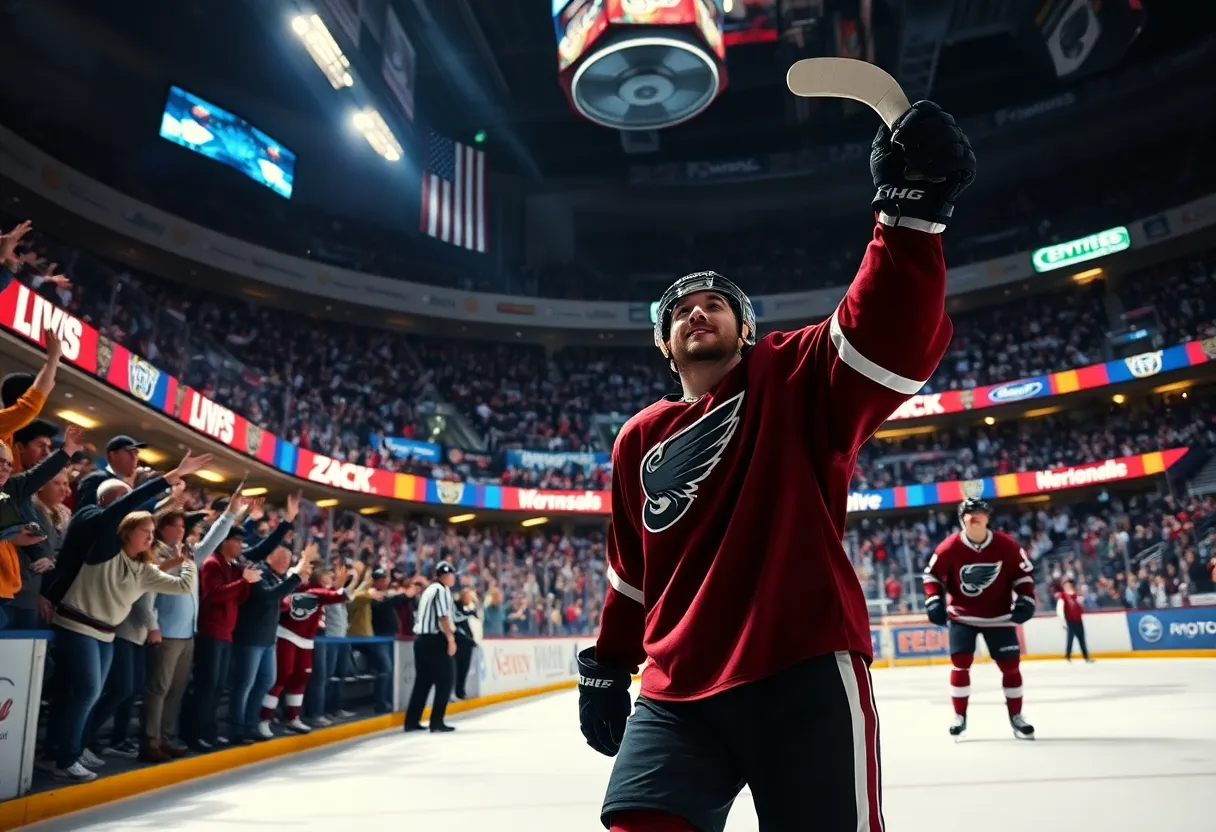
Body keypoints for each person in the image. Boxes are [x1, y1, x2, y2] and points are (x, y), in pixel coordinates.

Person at [575, 101, 975, 832]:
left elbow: (884, 335)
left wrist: (909, 220)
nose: (699, 313)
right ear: (664, 347)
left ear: (746, 328)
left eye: (715, 304)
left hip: (802, 667)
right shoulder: (638, 436)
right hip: (675, 687)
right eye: (682, 311)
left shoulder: (791, 375)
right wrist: (608, 662)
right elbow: (632, 572)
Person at [49, 511, 197, 782]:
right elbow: (113, 517)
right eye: (145, 532)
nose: (150, 538)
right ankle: (66, 759)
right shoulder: (106, 551)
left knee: (92, 694)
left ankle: (74, 751)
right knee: (87, 692)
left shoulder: (144, 570)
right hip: (76, 625)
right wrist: (166, 482)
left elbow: (184, 585)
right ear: (127, 532)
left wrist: (187, 562)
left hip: (105, 634)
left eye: (153, 534)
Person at [923, 498, 1037, 741]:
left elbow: (1023, 575)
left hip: (1000, 617)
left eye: (980, 512)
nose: (975, 516)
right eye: (969, 513)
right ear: (961, 519)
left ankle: (1017, 716)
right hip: (963, 616)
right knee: (961, 662)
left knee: (1010, 665)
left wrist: (1026, 598)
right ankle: (959, 717)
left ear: (988, 518)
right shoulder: (949, 547)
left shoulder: (1006, 545)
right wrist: (933, 599)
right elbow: (931, 575)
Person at [261, 552, 349, 735]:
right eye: (326, 573)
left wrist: (337, 589)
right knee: (281, 677)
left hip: (306, 640)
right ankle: (263, 719)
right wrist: (339, 591)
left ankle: (293, 718)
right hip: (286, 635)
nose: (330, 576)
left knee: (300, 677)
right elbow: (322, 595)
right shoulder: (299, 585)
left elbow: (329, 595)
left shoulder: (319, 590)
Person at [403, 561, 458, 733]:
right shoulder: (442, 590)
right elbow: (443, 617)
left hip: (421, 641)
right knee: (446, 679)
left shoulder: (430, 589)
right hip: (434, 640)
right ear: (447, 576)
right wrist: (450, 639)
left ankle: (411, 721)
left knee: (423, 682)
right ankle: (437, 721)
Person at [1055, 580, 1093, 663]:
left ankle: (1086, 656)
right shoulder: (1063, 596)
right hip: (1069, 621)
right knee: (1070, 639)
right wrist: (1063, 621)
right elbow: (1060, 609)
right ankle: (1068, 656)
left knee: (1082, 639)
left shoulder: (1077, 595)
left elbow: (1081, 608)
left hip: (1078, 620)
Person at [452, 586, 479, 700]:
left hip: (468, 643)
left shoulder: (471, 609)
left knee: (464, 668)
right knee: (456, 668)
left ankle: (460, 691)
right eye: (466, 595)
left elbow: (476, 624)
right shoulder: (456, 606)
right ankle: (453, 692)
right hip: (458, 642)